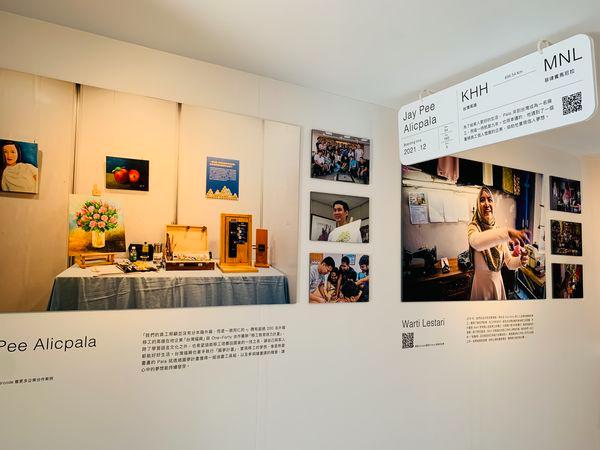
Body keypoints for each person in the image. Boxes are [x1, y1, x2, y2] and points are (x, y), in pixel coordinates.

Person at [468, 186, 529, 300]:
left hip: (497, 285)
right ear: (477, 204)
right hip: (481, 288)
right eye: (482, 200)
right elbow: (476, 242)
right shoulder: (474, 227)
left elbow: (509, 262)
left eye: (490, 199)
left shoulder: (498, 230)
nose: (487, 204)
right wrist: (507, 233)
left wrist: (520, 260)